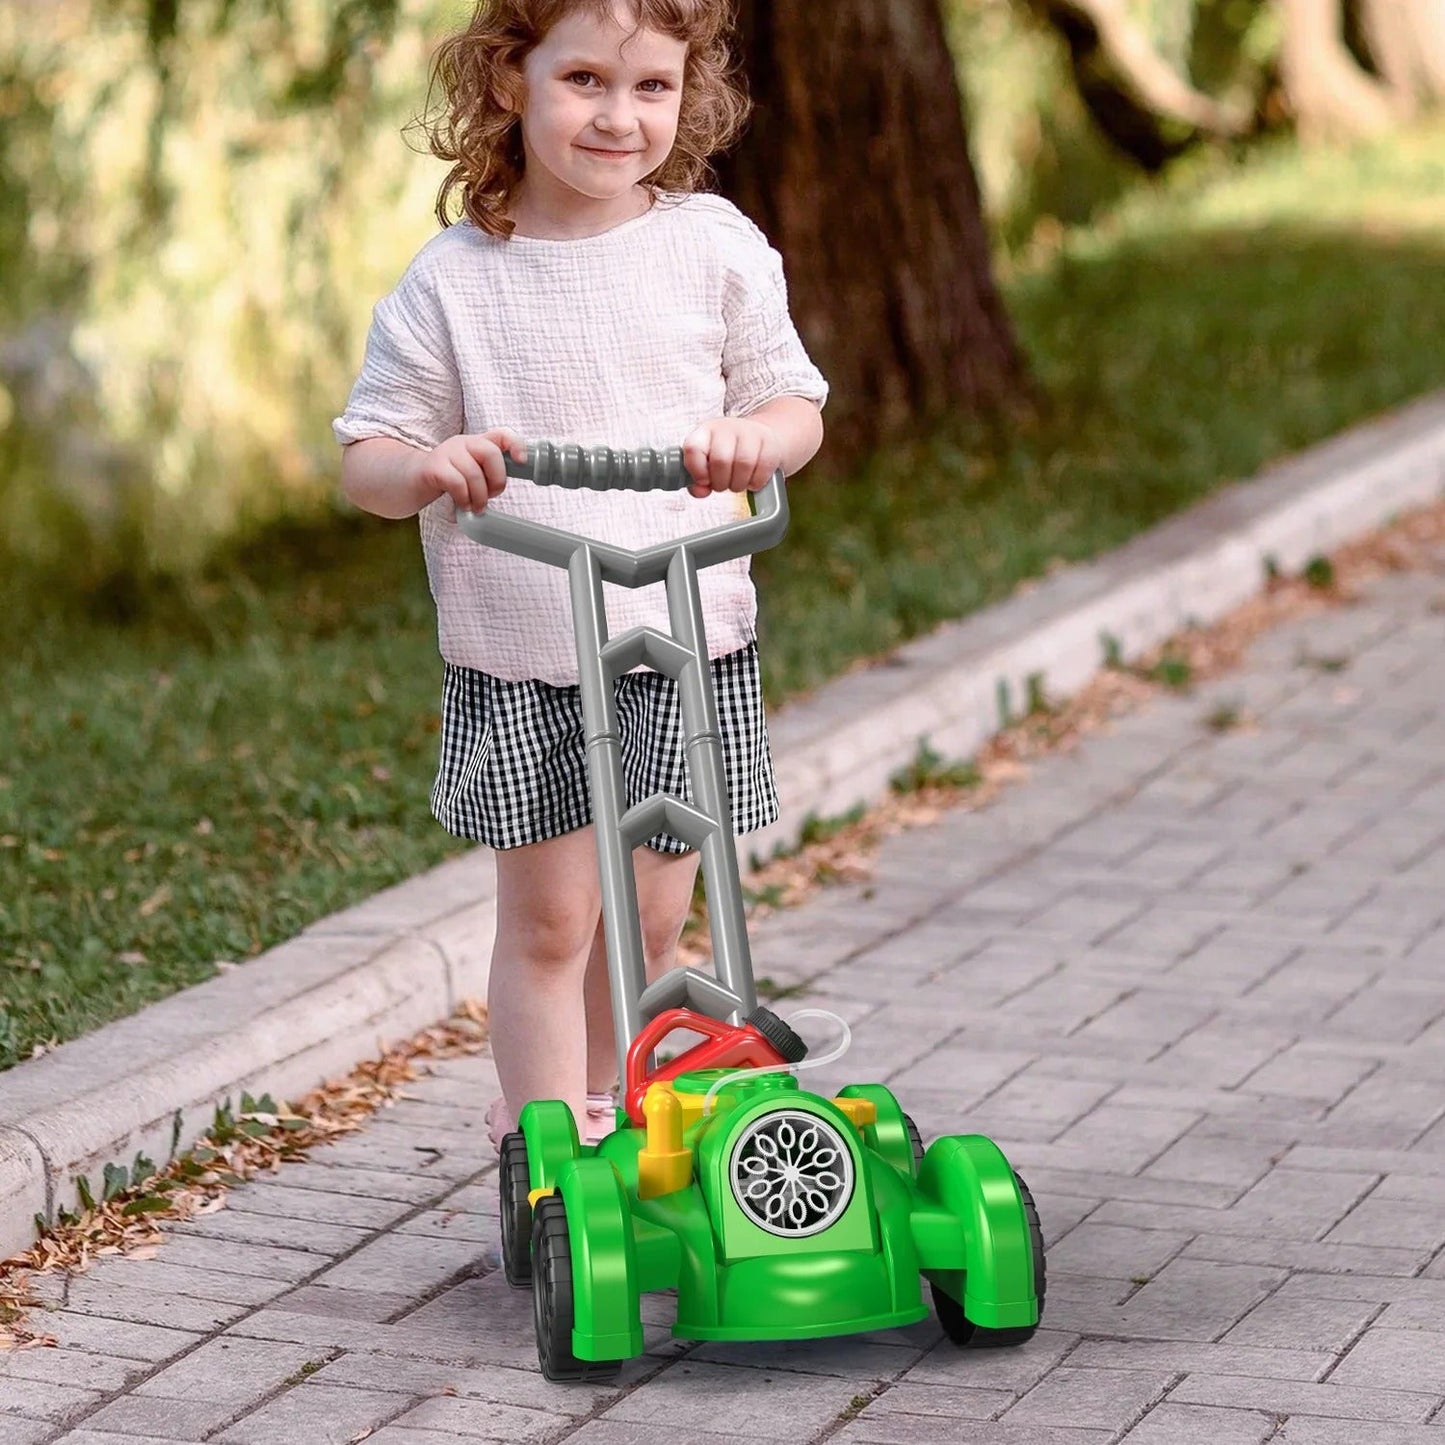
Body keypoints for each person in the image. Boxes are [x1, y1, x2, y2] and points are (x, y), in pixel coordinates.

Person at [333, 0, 826, 1150]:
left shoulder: (711, 245)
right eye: (585, 81)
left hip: (681, 630)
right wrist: (426, 467)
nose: (618, 115)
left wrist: (757, 437)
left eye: (651, 87)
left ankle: (633, 1122)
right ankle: (552, 1149)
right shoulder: (455, 280)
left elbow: (790, 401)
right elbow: (368, 456)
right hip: (529, 651)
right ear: (512, 83)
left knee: (653, 920)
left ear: (686, 94)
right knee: (554, 921)